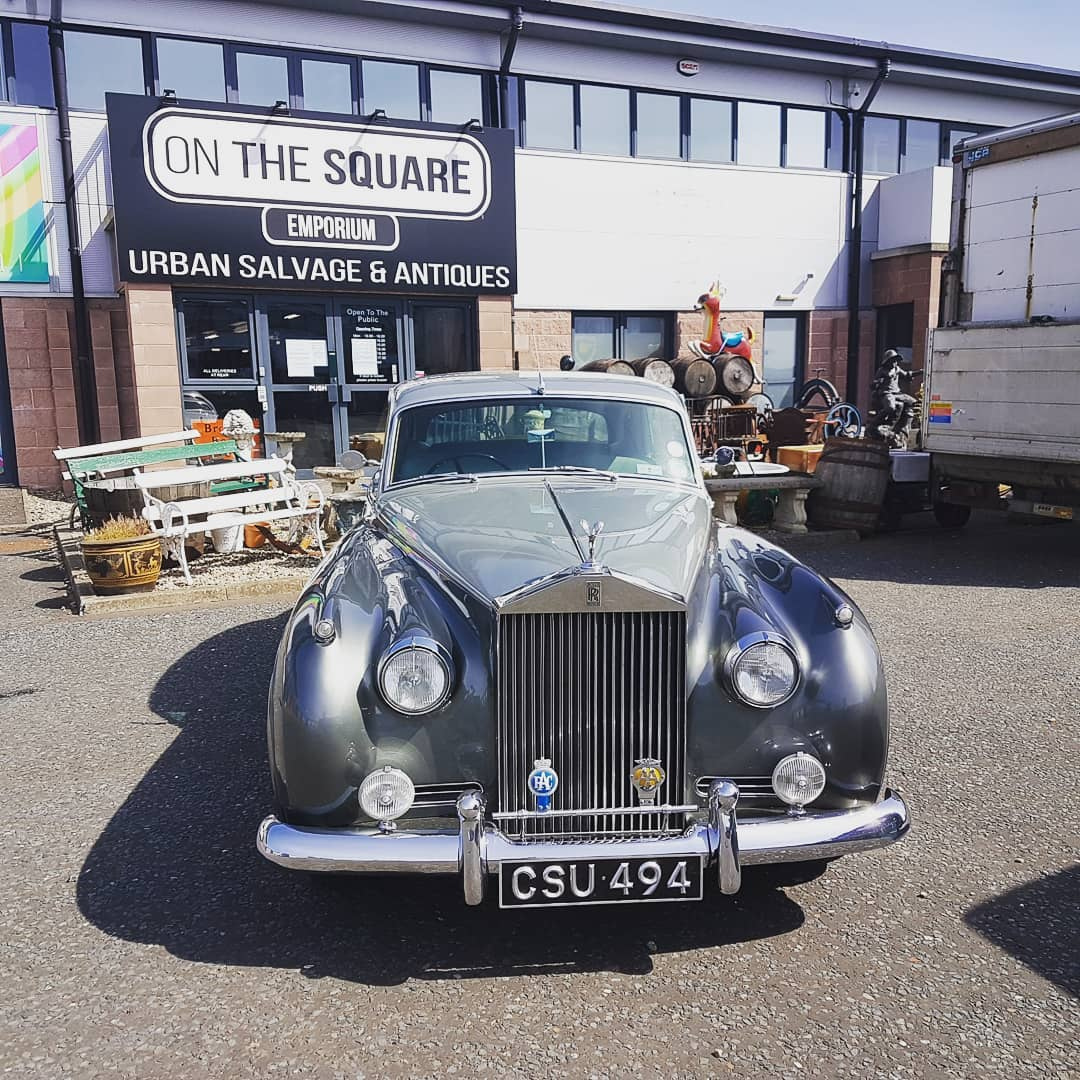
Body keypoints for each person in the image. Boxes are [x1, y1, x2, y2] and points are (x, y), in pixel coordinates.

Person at [870, 349, 921, 447]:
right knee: (891, 407)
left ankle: (902, 428)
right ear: (888, 361)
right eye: (892, 360)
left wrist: (919, 372)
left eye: (896, 360)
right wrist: (878, 383)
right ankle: (879, 422)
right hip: (886, 393)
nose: (894, 363)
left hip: (897, 393)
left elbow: (906, 375)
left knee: (913, 402)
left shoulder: (897, 369)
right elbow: (873, 384)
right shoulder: (882, 370)